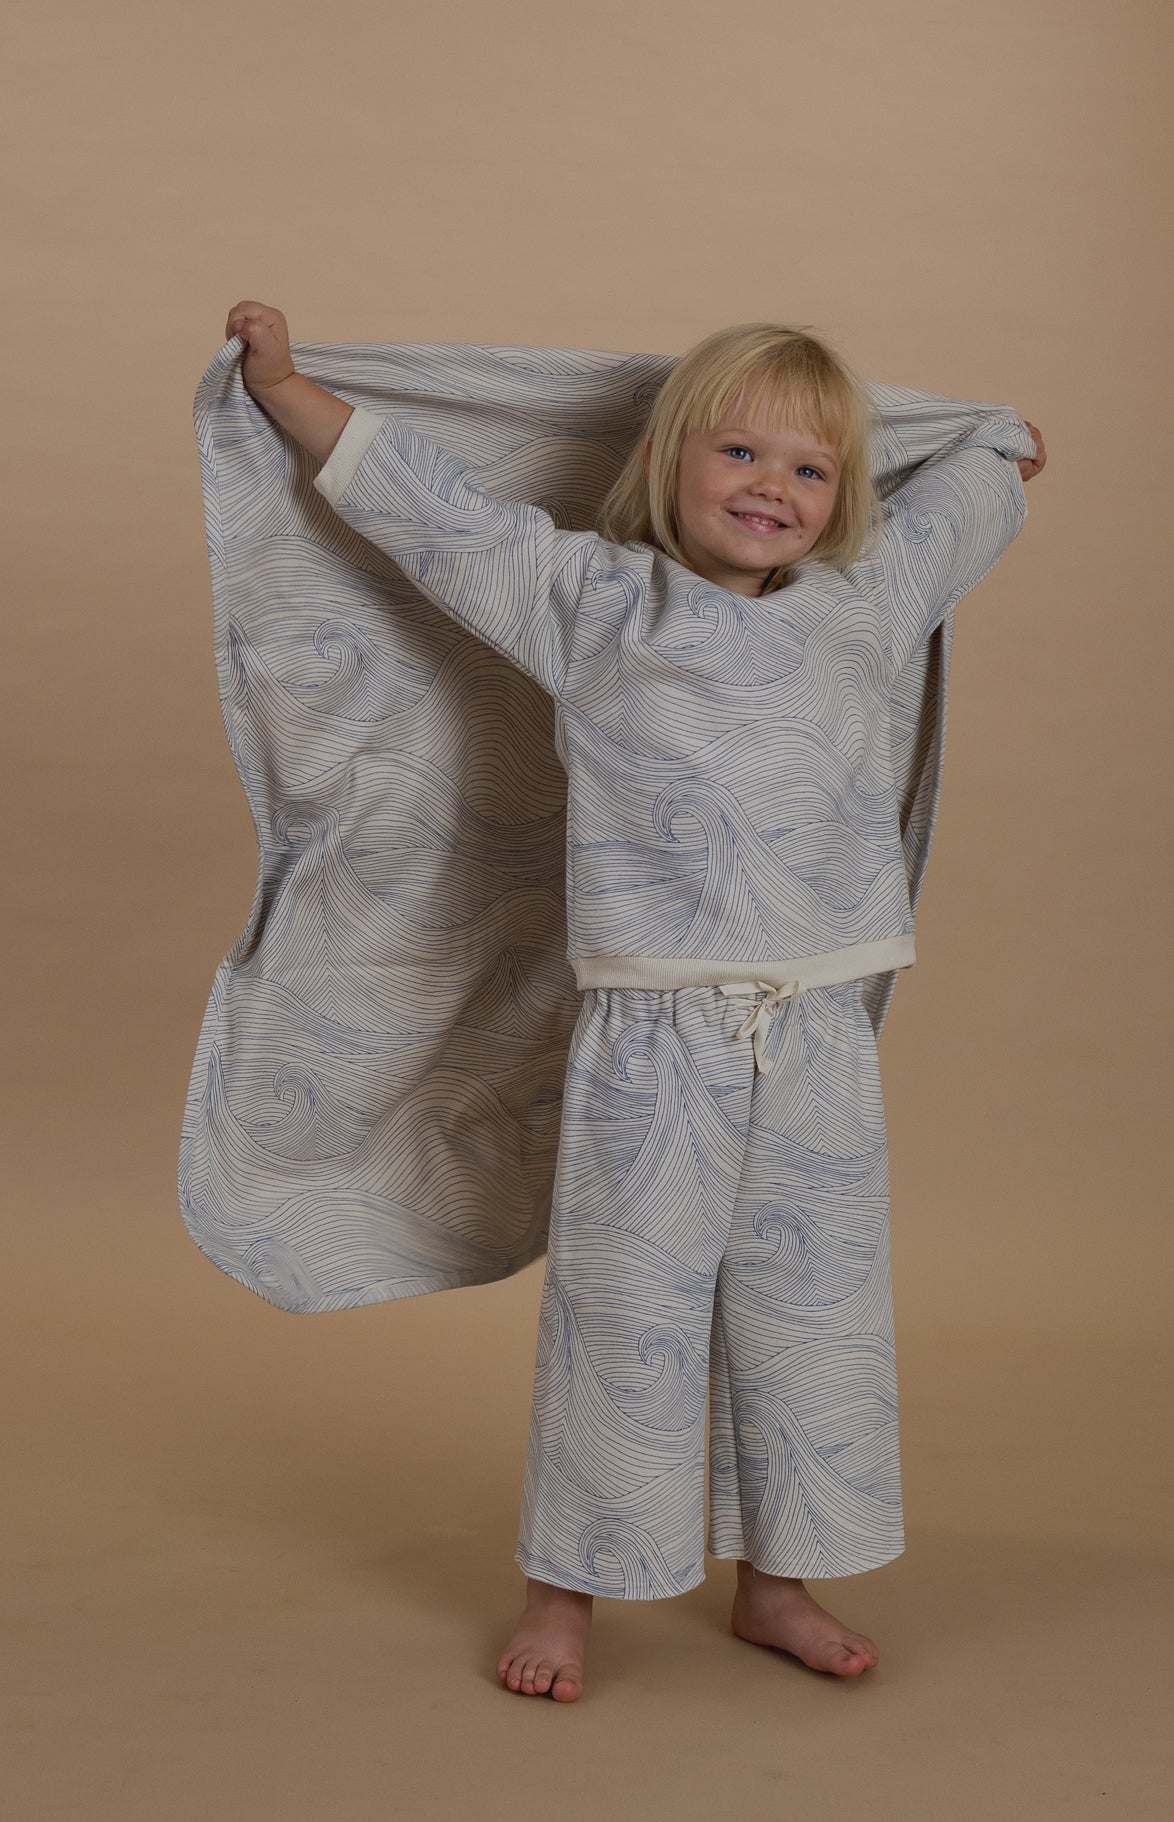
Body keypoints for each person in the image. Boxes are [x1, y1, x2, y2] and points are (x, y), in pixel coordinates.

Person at [222, 298, 1046, 1698]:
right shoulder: (593, 601)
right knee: (627, 1311)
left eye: (808, 468)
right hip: (650, 1039)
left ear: (841, 494)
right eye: (736, 452)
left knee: (810, 1304)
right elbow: (435, 515)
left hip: (817, 1030)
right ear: (667, 462)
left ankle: (775, 1582)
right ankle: (567, 1591)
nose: (770, 489)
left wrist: (999, 445)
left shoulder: (868, 604)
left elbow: (982, 486)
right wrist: (290, 388)